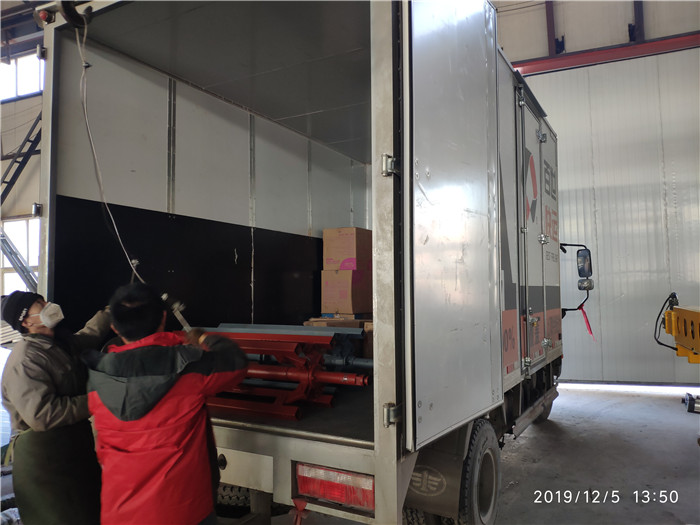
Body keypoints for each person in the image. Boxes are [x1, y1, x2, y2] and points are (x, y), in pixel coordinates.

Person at [86, 282, 248, 525]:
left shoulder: (97, 378)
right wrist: (203, 338)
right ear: (163, 317)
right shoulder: (190, 367)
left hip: (120, 513)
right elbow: (236, 363)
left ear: (114, 327)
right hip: (184, 512)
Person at [1, 291, 111, 525]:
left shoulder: (58, 343)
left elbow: (89, 335)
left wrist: (112, 311)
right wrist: (98, 401)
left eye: (44, 300)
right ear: (26, 321)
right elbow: (43, 415)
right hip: (44, 462)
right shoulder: (25, 359)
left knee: (90, 511)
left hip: (72, 449)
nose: (48, 305)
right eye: (39, 304)